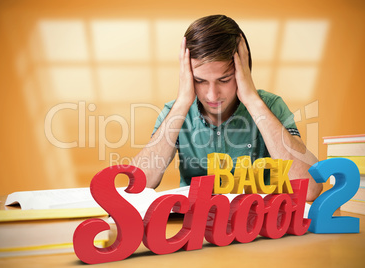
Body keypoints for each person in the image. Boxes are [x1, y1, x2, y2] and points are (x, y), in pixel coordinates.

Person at [132, 15, 322, 201]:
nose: (212, 95)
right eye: (200, 81)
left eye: (224, 80)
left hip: (261, 227)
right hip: (197, 227)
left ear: (244, 72)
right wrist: (182, 102)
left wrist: (253, 101)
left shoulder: (271, 105)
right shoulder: (174, 113)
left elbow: (310, 189)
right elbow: (136, 186)